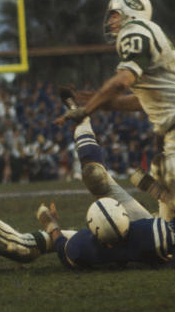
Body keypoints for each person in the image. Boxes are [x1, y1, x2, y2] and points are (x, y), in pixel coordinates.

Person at [56, 0, 175, 221]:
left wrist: (86, 110)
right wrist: (97, 102)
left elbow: (122, 81)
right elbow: (142, 101)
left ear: (131, 12)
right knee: (166, 234)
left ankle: (161, 195)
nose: (111, 21)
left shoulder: (134, 31)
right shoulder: (155, 38)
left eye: (114, 15)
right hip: (170, 138)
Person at [35, 90, 174, 269]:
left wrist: (51, 225)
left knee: (95, 176)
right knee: (158, 167)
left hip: (150, 233)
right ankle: (82, 119)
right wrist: (158, 192)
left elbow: (63, 250)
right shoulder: (155, 235)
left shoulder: (83, 248)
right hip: (161, 228)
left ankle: (82, 121)